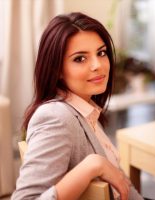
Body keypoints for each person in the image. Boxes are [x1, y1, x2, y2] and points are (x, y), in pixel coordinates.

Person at [12, 12, 143, 200]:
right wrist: (93, 165)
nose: (97, 65)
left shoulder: (84, 108)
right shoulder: (56, 117)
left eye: (101, 52)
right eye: (80, 58)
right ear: (56, 69)